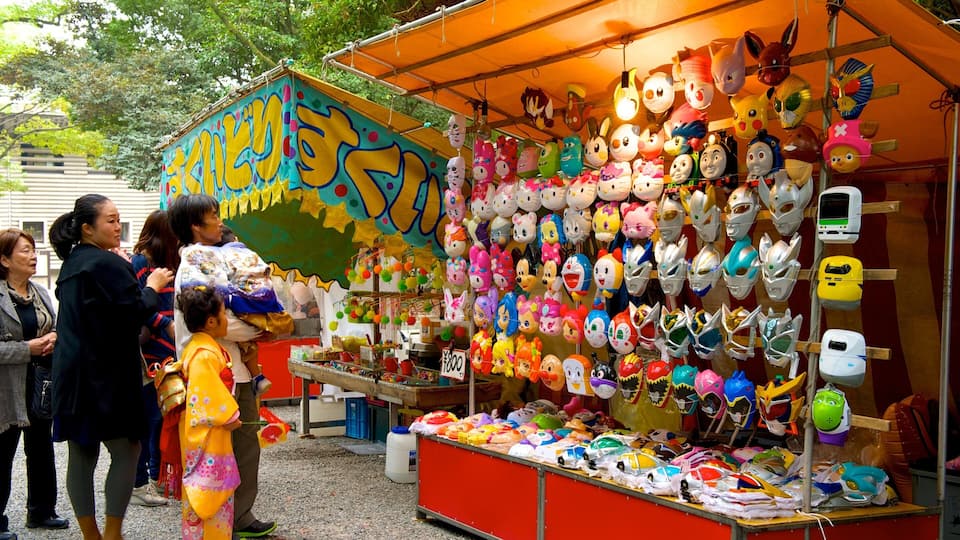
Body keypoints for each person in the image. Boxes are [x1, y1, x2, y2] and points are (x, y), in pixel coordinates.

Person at [49, 194, 174, 540]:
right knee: (127, 449)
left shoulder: (73, 262)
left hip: (72, 373)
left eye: (119, 220)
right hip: (106, 374)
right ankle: (113, 532)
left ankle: (92, 534)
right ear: (87, 228)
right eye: (110, 220)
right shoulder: (107, 264)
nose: (117, 227)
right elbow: (133, 309)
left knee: (82, 452)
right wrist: (153, 286)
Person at [169, 194, 277, 538]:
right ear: (195, 227)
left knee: (245, 447)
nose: (219, 221)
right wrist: (263, 326)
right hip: (211, 377)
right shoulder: (193, 266)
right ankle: (219, 521)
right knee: (217, 455)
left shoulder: (214, 259)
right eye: (212, 216)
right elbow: (220, 323)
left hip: (236, 371)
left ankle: (238, 516)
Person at [0, 229, 68, 540]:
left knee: (41, 449)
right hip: (6, 387)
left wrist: (53, 338)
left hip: (40, 383)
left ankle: (41, 511)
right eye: (25, 250)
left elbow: (54, 327)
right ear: (4, 259)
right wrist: (28, 348)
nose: (33, 255)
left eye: (32, 249)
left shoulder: (40, 292)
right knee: (2, 453)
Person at [177, 286, 241, 539]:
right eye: (225, 314)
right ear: (212, 321)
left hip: (206, 433)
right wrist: (231, 416)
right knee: (207, 494)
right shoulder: (203, 353)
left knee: (209, 492)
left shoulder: (201, 347)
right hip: (208, 435)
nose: (228, 320)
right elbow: (208, 394)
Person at [129, 210, 179, 507]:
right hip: (151, 353)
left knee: (166, 414)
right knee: (151, 416)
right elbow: (140, 305)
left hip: (173, 350)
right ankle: (145, 479)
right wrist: (166, 324)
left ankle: (161, 477)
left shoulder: (171, 261)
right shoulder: (140, 263)